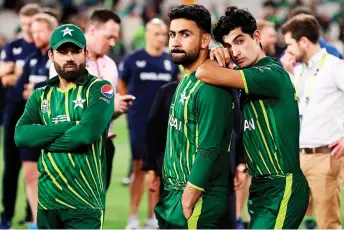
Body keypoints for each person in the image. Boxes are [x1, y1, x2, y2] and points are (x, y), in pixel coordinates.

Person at [196, 6, 309, 229]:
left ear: (256, 37)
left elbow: (203, 72)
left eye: (239, 41)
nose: (235, 52)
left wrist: (212, 55)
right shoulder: (247, 80)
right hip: (259, 187)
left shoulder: (270, 74)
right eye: (228, 46)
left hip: (281, 185)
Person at [14, 24, 114, 229]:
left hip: (85, 204)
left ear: (85, 53)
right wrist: (71, 125)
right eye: (62, 51)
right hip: (47, 202)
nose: (70, 57)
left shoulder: (100, 88)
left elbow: (85, 135)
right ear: (51, 54)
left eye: (75, 51)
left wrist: (43, 139)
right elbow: (21, 136)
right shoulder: (40, 95)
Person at [154, 4, 234, 229]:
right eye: (172, 34)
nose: (175, 41)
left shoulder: (211, 86)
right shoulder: (188, 78)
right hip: (175, 194)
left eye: (185, 34)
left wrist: (187, 200)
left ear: (204, 40)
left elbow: (209, 148)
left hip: (198, 198)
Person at [50, 9, 133, 191]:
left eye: (115, 38)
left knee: (97, 208)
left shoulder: (110, 65)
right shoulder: (67, 60)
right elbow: (64, 108)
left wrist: (117, 110)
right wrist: (110, 106)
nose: (112, 43)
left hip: (104, 145)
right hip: (75, 147)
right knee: (73, 208)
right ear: (93, 30)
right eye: (108, 37)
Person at [282, 14, 344, 229]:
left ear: (304, 42)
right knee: (289, 219)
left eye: (290, 44)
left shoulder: (335, 67)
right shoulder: (299, 70)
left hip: (324, 157)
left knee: (328, 223)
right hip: (297, 156)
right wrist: (288, 74)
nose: (287, 50)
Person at [118, 18, 179, 229]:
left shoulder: (170, 61)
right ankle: (133, 216)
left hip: (164, 122)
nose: (161, 38)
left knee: (160, 169)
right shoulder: (133, 59)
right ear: (147, 34)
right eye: (157, 34)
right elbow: (122, 82)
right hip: (139, 121)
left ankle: (153, 216)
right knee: (139, 168)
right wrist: (128, 106)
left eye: (164, 35)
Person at [11, 13, 58, 229]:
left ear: (52, 32)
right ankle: (38, 221)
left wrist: (36, 91)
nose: (35, 34)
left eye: (40, 30)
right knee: (30, 174)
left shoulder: (59, 59)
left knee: (53, 175)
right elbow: (18, 90)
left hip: (53, 126)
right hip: (32, 126)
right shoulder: (31, 60)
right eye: (33, 30)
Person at [0, 4, 41, 228]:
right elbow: (3, 77)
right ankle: (6, 214)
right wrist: (16, 74)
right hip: (14, 110)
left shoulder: (42, 50)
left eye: (31, 24)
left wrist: (14, 71)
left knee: (34, 165)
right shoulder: (13, 46)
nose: (27, 28)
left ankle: (30, 214)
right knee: (11, 165)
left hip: (36, 114)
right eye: (24, 24)